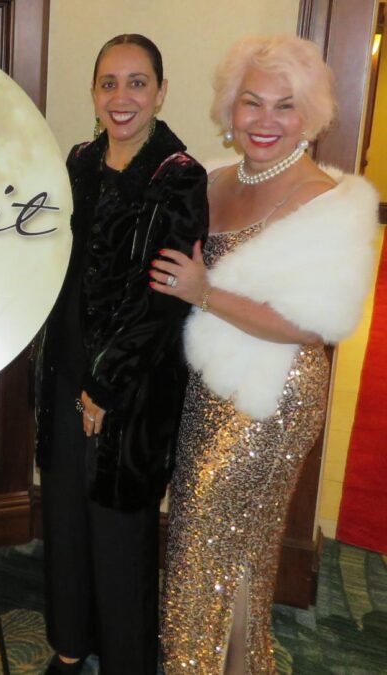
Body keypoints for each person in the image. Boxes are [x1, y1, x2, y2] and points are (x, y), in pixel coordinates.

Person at [156, 35, 378, 674]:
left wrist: (205, 292)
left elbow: (313, 326)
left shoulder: (332, 202)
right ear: (231, 109)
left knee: (202, 544)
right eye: (252, 102)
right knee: (237, 549)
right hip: (205, 390)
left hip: (270, 397)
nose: (265, 120)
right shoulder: (211, 179)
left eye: (285, 106)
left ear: (309, 117)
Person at [34, 34, 208, 674]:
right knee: (65, 515)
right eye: (109, 82)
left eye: (137, 83)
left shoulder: (178, 176)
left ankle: (129, 660)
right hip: (65, 368)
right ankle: (69, 644)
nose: (121, 97)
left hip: (131, 388)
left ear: (161, 92)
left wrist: (105, 388)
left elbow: (164, 301)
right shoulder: (78, 161)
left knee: (117, 528)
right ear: (95, 94)